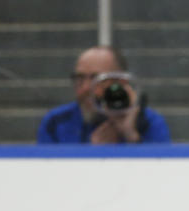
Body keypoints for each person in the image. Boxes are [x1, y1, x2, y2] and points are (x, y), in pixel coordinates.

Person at [37, 46, 171, 144]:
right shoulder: (56, 122)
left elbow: (160, 176)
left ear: (120, 82)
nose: (85, 88)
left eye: (96, 79)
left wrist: (132, 137)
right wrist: (94, 154)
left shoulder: (150, 122)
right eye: (79, 79)